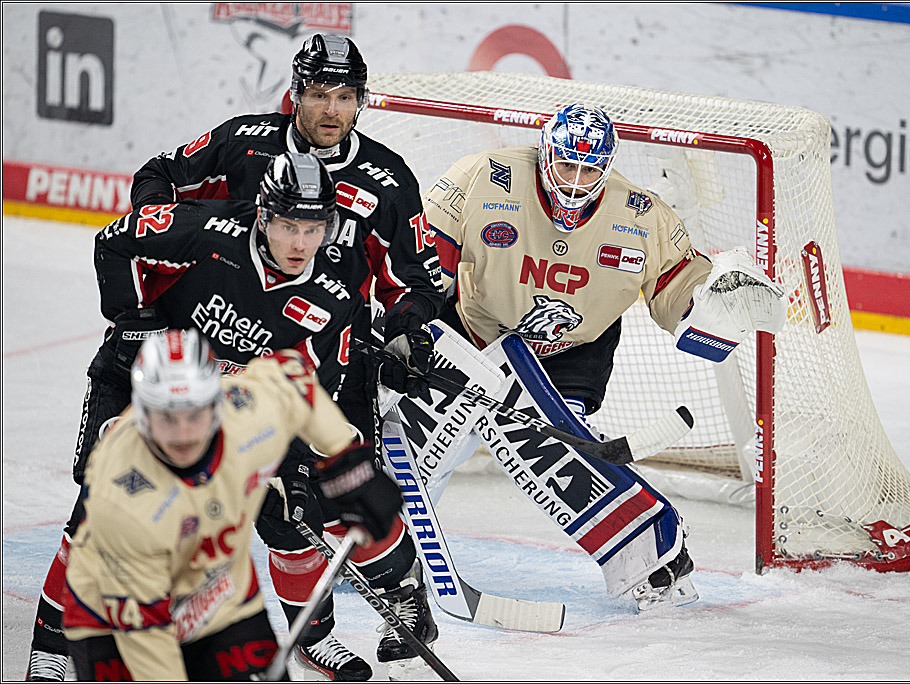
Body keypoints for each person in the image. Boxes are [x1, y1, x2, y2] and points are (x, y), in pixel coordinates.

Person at [24, 152, 413, 681]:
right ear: (262, 215)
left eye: (313, 228)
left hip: (226, 411)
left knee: (288, 521)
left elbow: (306, 390)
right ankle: (53, 644)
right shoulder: (204, 231)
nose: (301, 244)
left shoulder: (333, 296)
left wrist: (317, 468)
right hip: (142, 390)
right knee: (98, 515)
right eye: (288, 226)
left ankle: (313, 638)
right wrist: (132, 317)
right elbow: (113, 242)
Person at [127, 33, 443, 678]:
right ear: (294, 94)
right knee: (279, 508)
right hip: (234, 344)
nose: (332, 110)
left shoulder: (387, 180)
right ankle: (315, 632)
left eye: (346, 96)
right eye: (320, 94)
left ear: (361, 101)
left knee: (345, 495)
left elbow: (416, 279)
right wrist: (180, 258)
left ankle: (406, 595)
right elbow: (155, 178)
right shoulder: (245, 142)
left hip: (332, 355)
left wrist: (407, 327)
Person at [404, 103, 785, 609]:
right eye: (567, 165)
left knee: (562, 460)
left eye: (591, 169)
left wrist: (711, 304)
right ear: (545, 154)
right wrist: (407, 319)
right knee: (423, 449)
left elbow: (676, 291)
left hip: (571, 355)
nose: (577, 181)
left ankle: (652, 559)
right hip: (474, 337)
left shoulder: (641, 216)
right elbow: (419, 261)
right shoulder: (482, 179)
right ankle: (381, 550)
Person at [62, 329, 403, 681]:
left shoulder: (245, 414)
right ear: (144, 415)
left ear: (216, 403)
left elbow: (292, 376)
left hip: (218, 596)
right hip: (115, 625)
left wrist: (346, 460)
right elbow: (146, 638)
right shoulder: (125, 500)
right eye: (167, 417)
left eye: (193, 414)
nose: (183, 435)